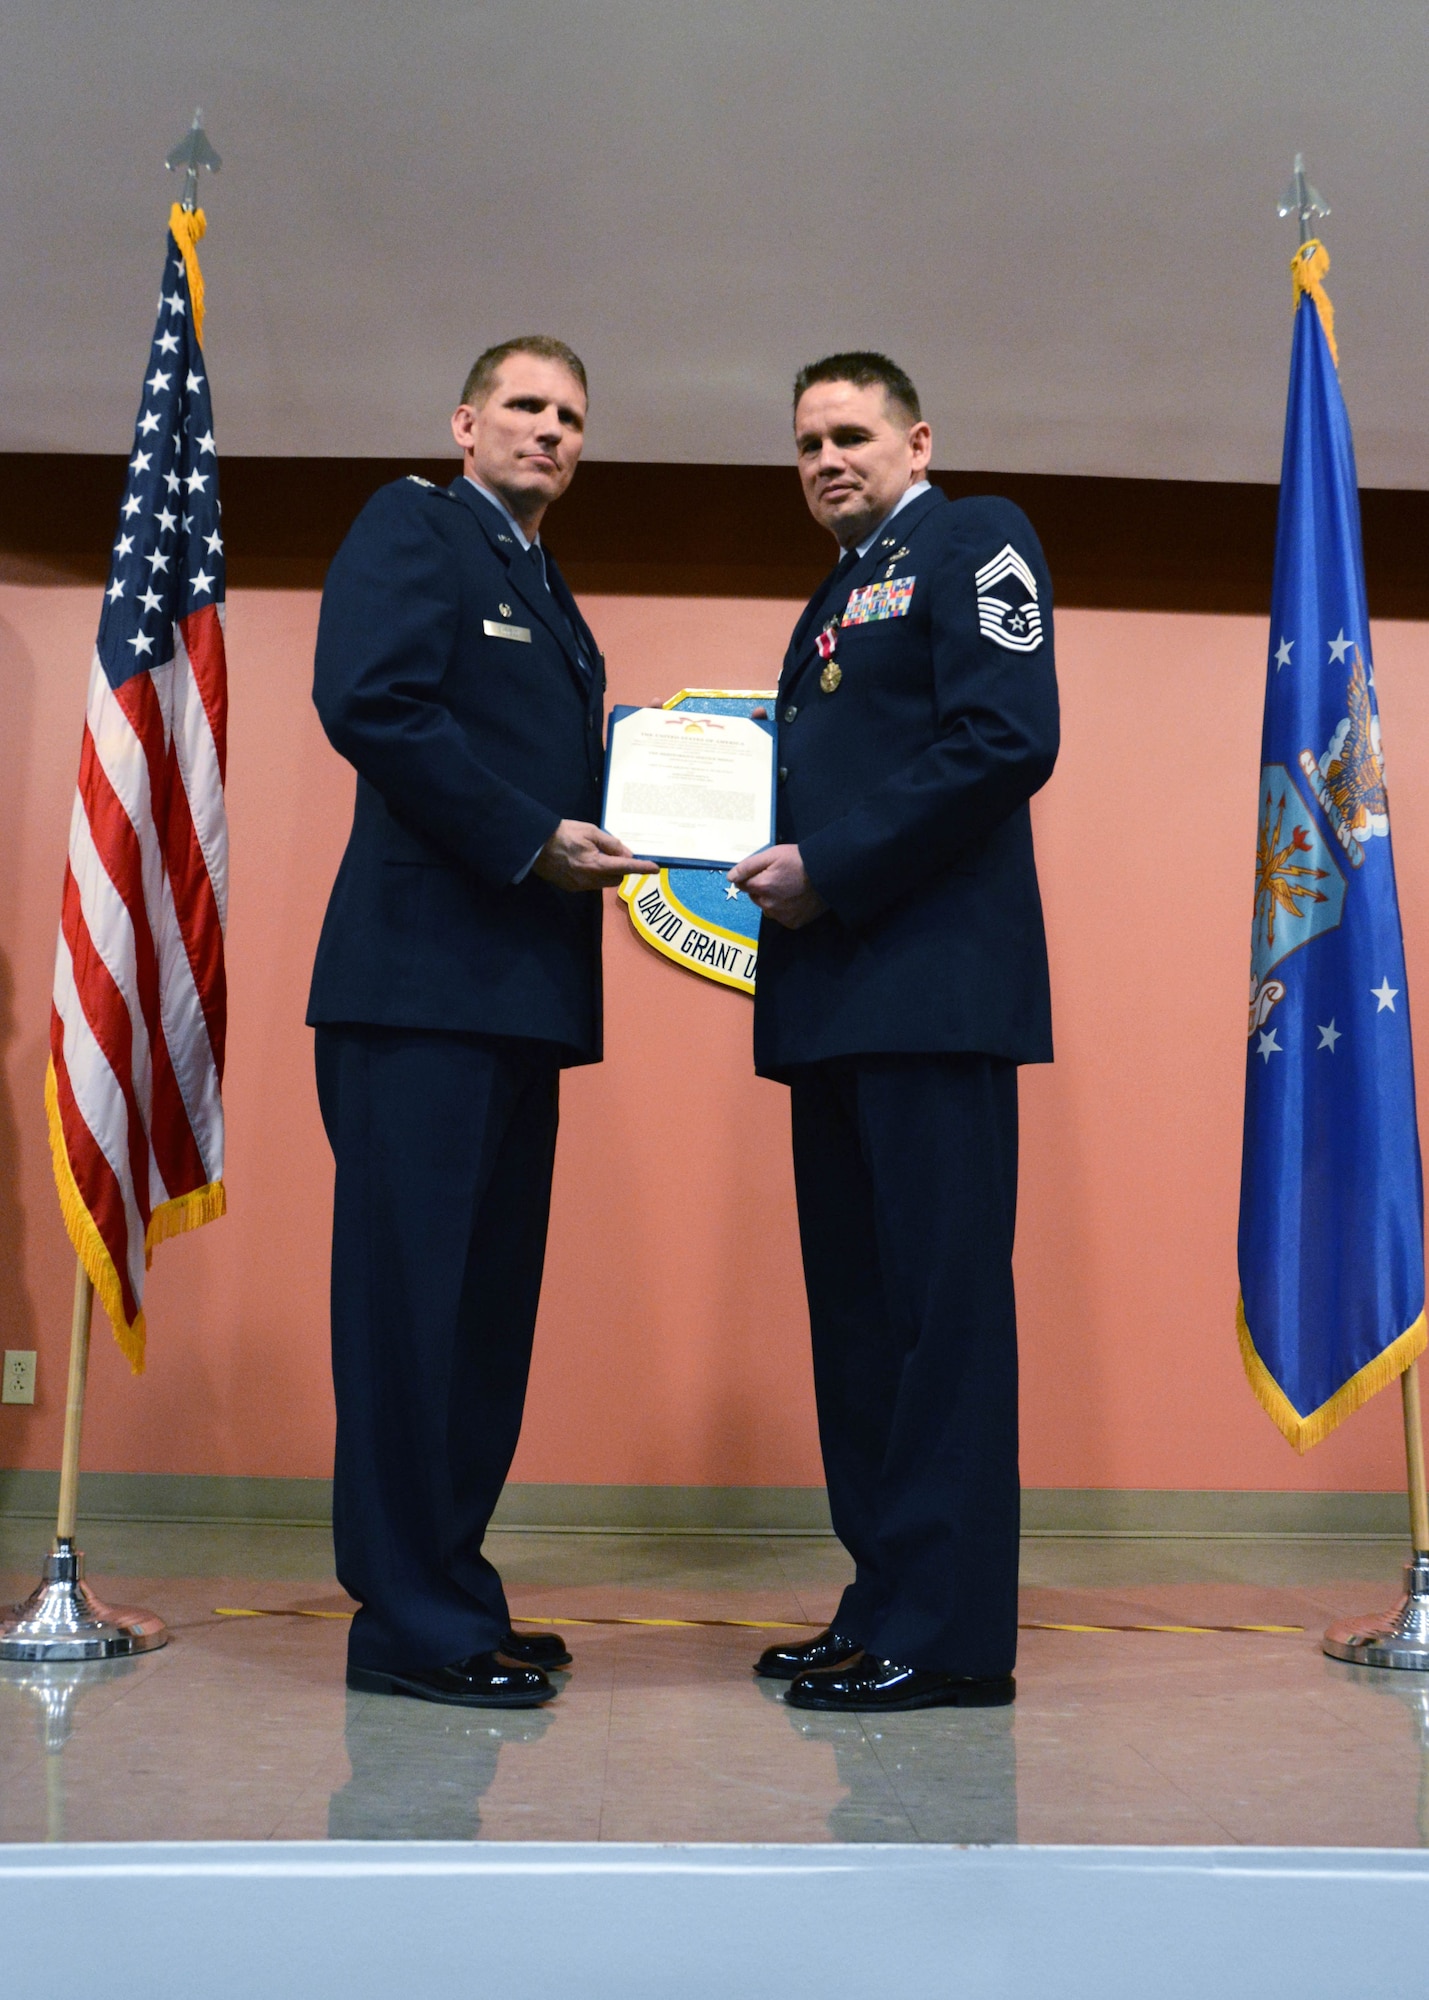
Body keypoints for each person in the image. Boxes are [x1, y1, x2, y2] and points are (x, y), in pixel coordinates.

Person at [308, 337, 653, 1708]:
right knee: (409, 1313)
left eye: (571, 415)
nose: (550, 431)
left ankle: (453, 1587)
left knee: (481, 1319)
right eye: (524, 407)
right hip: (417, 993)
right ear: (463, 421)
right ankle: (403, 1622)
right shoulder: (414, 525)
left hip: (514, 1003)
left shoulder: (544, 590)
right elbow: (369, 703)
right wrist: (529, 838)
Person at [731, 352, 1059, 1712]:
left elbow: (1002, 738)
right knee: (861, 1328)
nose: (827, 458)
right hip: (837, 1008)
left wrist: (832, 868)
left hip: (932, 999)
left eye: (852, 434)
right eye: (807, 440)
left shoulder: (976, 540)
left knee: (941, 1322)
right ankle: (882, 1602)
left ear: (916, 440)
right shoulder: (828, 598)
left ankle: (952, 1635)